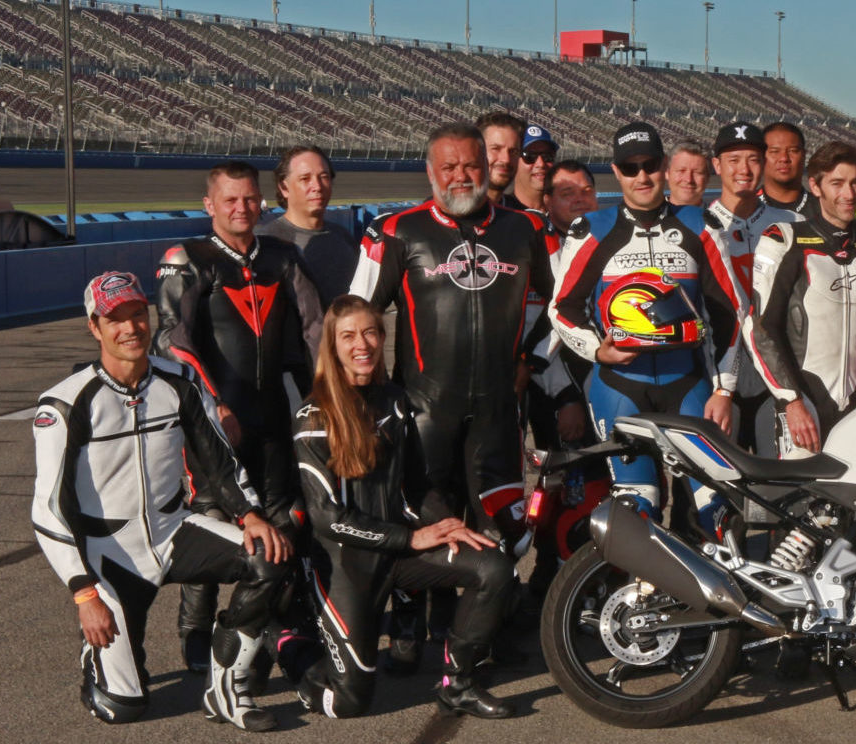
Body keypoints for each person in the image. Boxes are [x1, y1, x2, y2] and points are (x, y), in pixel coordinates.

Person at [33, 272, 290, 730]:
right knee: (124, 709)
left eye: (137, 315)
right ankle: (101, 662)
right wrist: (84, 593)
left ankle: (227, 680)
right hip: (110, 555)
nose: (130, 328)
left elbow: (218, 458)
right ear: (94, 327)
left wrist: (250, 514)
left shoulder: (180, 379)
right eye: (115, 320)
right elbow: (48, 511)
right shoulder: (64, 404)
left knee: (267, 558)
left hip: (174, 532)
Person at [293, 296, 518, 720]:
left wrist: (447, 523)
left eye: (371, 332)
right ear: (332, 346)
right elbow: (328, 519)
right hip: (345, 567)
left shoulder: (396, 400)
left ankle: (459, 683)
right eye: (348, 336)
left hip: (399, 555)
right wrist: (411, 537)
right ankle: (290, 648)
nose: (362, 344)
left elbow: (416, 486)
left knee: (494, 566)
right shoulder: (312, 417)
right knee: (348, 705)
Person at [347, 122, 560, 567]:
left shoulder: (529, 230)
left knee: (501, 539)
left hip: (499, 414)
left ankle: (487, 629)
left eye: (470, 164)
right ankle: (417, 632)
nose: (460, 175)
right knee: (426, 531)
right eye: (449, 167)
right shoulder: (395, 230)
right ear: (430, 172)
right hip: (424, 413)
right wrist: (364, 393)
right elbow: (354, 319)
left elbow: (563, 306)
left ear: (488, 168)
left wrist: (533, 362)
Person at [157, 160, 321, 676]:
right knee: (209, 520)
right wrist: (211, 404)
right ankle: (195, 628)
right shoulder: (187, 259)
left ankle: (260, 623)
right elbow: (172, 342)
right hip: (213, 420)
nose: (241, 208)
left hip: (273, 414)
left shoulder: (283, 256)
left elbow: (315, 328)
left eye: (249, 199)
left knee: (280, 523)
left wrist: (323, 398)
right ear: (210, 205)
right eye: (230, 200)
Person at [553, 121, 746, 528]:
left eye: (650, 164)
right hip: (619, 388)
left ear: (664, 167)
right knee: (636, 516)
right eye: (630, 167)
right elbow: (562, 308)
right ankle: (643, 593)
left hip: (690, 385)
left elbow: (730, 313)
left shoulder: (701, 226)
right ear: (616, 170)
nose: (641, 176)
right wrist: (597, 350)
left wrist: (724, 390)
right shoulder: (592, 230)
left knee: (717, 514)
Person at [747, 141, 856, 456]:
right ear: (815, 185)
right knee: (800, 501)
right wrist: (791, 401)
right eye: (837, 183)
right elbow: (760, 328)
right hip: (804, 405)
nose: (849, 193)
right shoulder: (784, 240)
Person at [705, 122, 802, 454]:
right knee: (712, 488)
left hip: (775, 371)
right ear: (716, 165)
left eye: (753, 159)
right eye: (733, 160)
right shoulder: (698, 226)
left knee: (777, 482)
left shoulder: (792, 224)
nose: (743, 170)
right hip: (715, 374)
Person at [259, 145, 355, 305]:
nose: (317, 187)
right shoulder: (265, 244)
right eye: (305, 179)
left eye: (324, 177)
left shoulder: (344, 238)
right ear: (284, 187)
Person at [475, 111, 527, 210]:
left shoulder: (522, 219)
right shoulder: (446, 212)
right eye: (496, 149)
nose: (506, 160)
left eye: (513, 151)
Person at [761, 121, 811, 213]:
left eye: (793, 151)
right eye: (775, 151)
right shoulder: (743, 207)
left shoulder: (825, 211)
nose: (784, 158)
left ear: (804, 155)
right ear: (761, 156)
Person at [511, 123, 560, 214]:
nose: (540, 164)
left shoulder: (564, 215)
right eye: (530, 156)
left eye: (547, 156)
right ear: (513, 161)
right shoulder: (500, 214)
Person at [547, 159, 599, 231]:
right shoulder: (535, 239)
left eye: (587, 191)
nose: (580, 198)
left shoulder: (615, 237)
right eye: (568, 194)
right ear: (548, 202)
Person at [667, 142, 711, 207]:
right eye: (681, 171)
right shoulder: (650, 216)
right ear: (667, 173)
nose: (689, 179)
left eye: (697, 172)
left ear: (707, 177)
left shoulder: (718, 217)